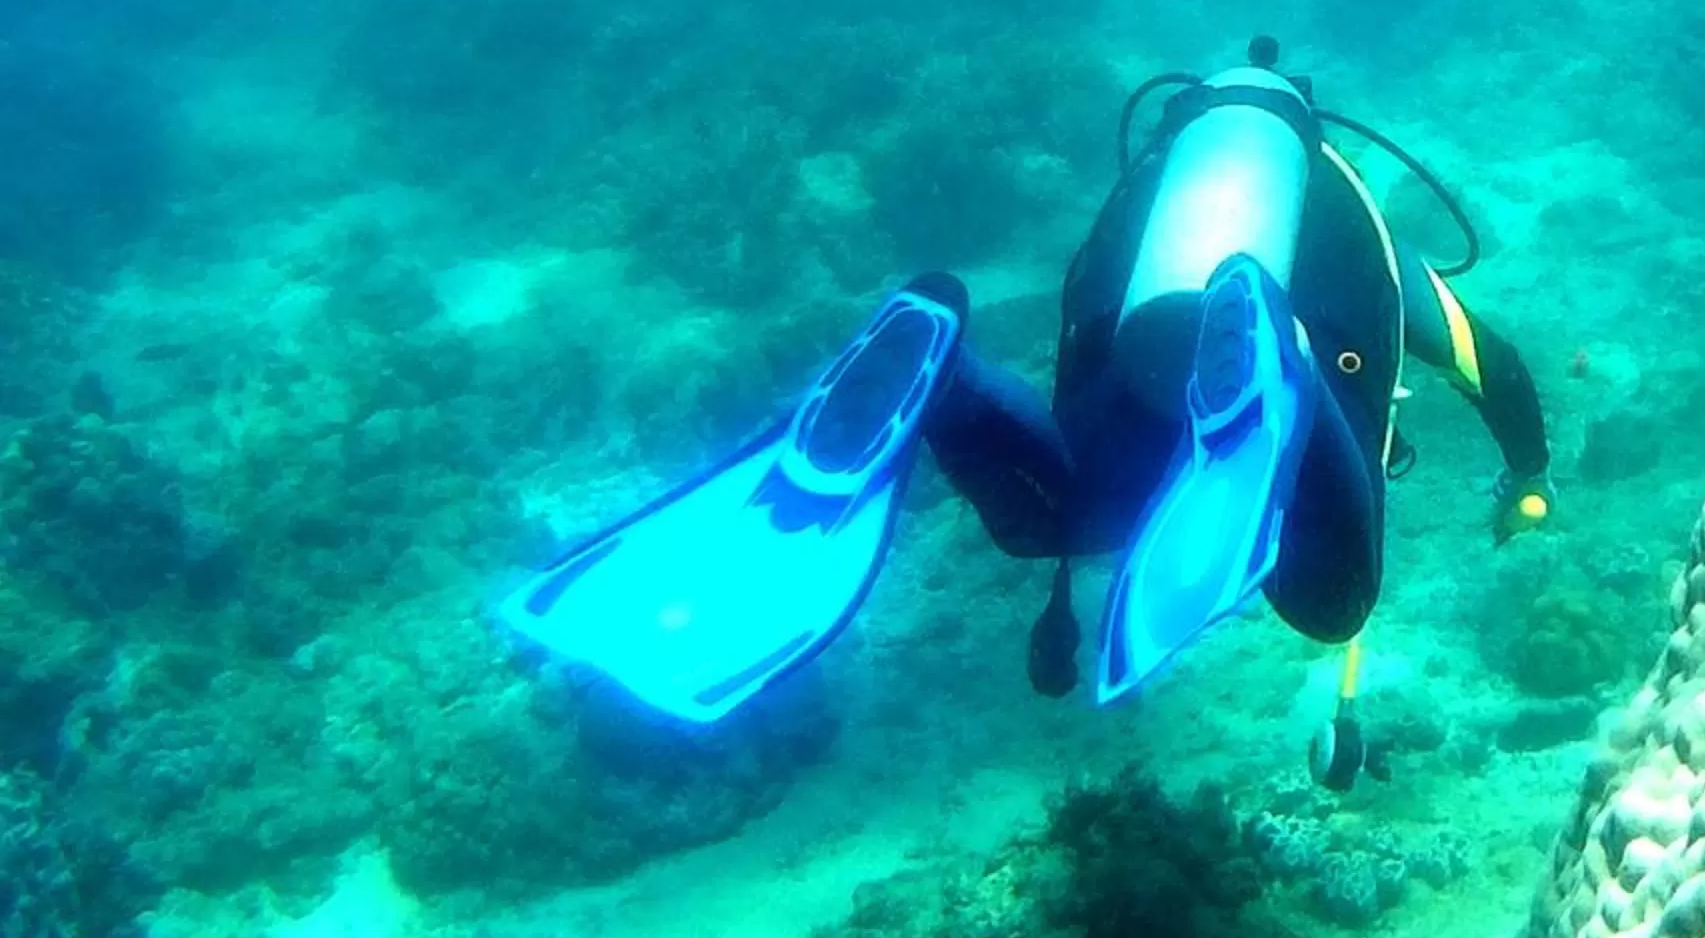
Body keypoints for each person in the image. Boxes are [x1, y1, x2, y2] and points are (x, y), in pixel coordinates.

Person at [498, 43, 1557, 782]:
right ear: (1313, 132)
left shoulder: (1148, 197)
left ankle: (944, 370)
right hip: (1262, 365)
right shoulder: (1349, 206)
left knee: (1065, 516)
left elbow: (1084, 330)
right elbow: (1488, 363)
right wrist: (1527, 474)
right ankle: (1282, 363)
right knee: (1329, 600)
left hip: (1129, 390)